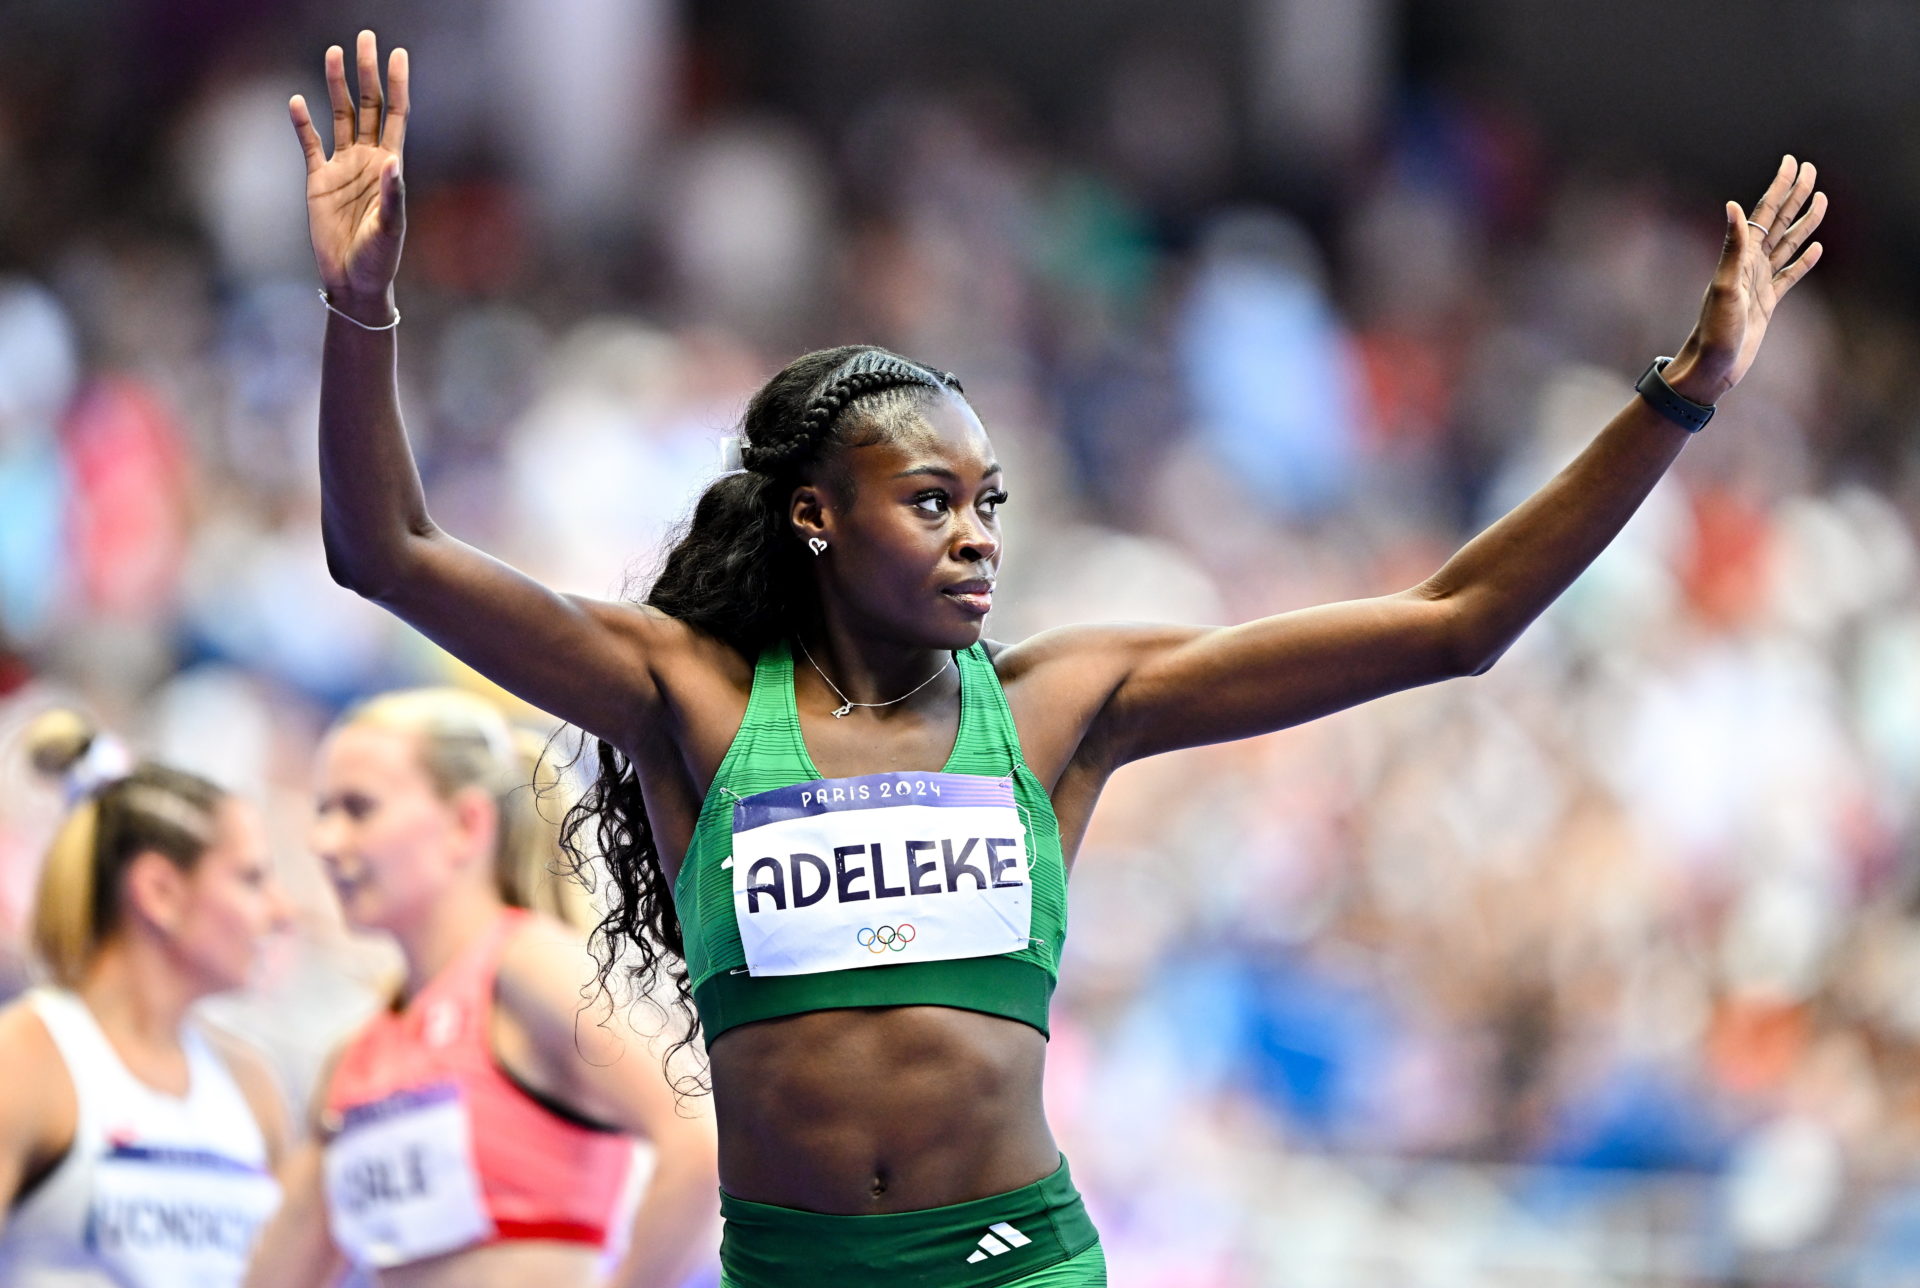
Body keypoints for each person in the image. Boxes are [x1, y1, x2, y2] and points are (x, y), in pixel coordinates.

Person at [287, 30, 1826, 1287]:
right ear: (816, 517)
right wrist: (363, 309)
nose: (978, 537)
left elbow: (1454, 623)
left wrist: (1679, 399)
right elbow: (390, 553)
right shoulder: (685, 695)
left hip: (1018, 1262)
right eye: (933, 501)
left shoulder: (1063, 704)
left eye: (990, 505)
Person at [243, 687, 719, 1288]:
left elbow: (698, 1140)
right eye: (322, 812)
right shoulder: (354, 1059)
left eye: (358, 809)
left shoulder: (531, 967)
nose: (325, 842)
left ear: (466, 824)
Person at [0, 711, 292, 1287]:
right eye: (252, 879)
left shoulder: (252, 1087)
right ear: (160, 892)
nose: (283, 912)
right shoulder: (26, 1059)